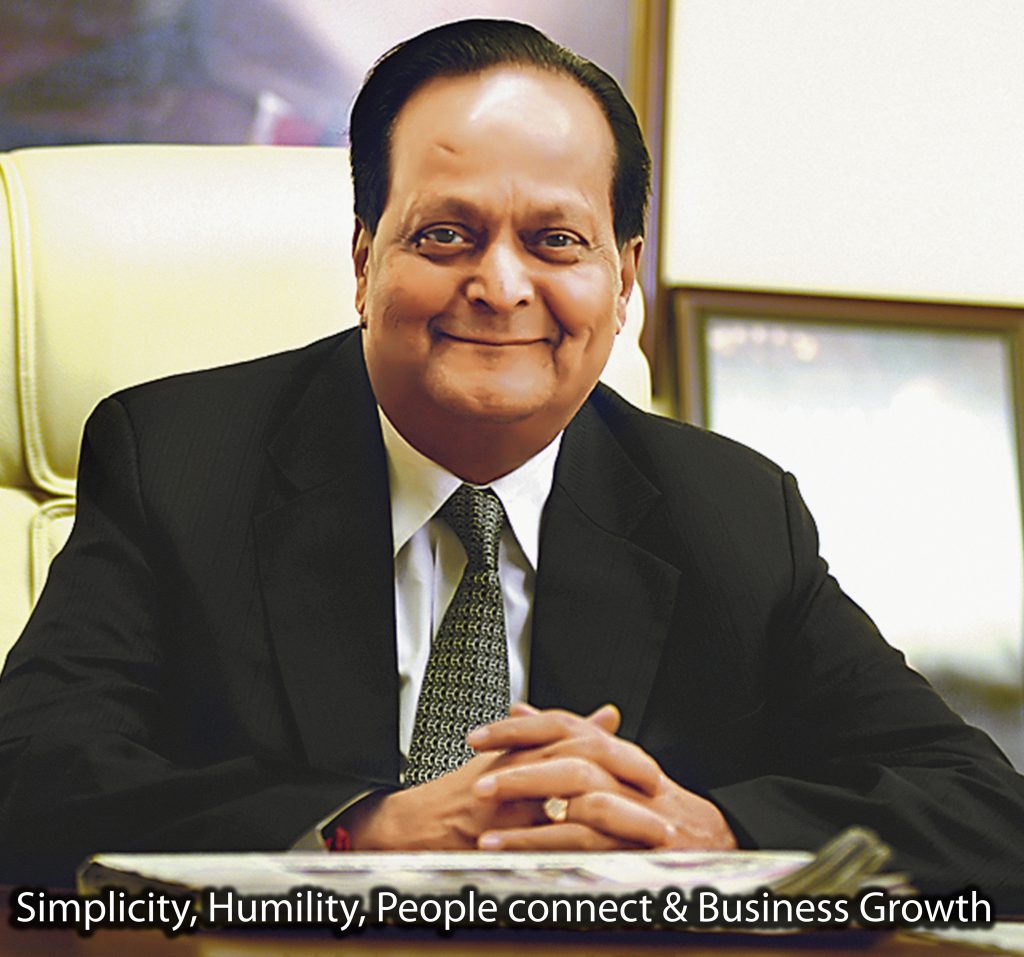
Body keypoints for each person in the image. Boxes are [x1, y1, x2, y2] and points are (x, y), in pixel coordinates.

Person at [1, 18, 1023, 909]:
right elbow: (31, 779)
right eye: (445, 234)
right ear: (363, 260)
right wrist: (357, 834)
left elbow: (983, 811)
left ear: (622, 280)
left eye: (555, 241)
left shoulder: (731, 512)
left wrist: (711, 834)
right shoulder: (182, 460)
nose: (499, 286)